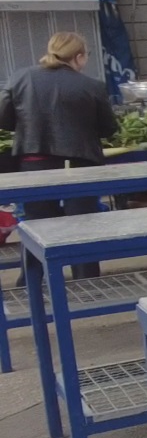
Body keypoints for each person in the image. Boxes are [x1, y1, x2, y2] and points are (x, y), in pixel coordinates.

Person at [0, 33, 118, 279]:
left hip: (34, 164)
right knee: (83, 226)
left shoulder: (20, 78)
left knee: (37, 227)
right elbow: (109, 129)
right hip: (80, 164)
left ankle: (30, 282)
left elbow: (4, 118)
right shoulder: (92, 85)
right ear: (79, 57)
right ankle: (86, 283)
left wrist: (27, 125)